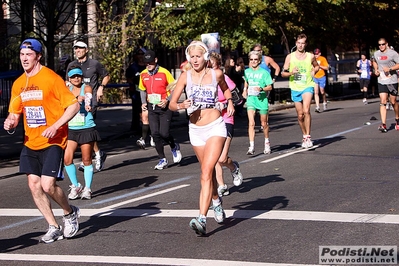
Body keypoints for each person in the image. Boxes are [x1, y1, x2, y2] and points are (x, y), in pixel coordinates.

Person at [3, 39, 80, 243]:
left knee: (47, 185)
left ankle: (69, 212)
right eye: (21, 54)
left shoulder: (51, 78)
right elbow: (15, 113)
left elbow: (73, 106)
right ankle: (53, 226)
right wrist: (10, 122)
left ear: (38, 56)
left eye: (28, 54)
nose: (24, 58)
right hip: (31, 142)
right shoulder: (19, 84)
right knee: (33, 184)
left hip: (53, 140)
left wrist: (56, 126)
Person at [169, 41, 235, 236]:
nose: (195, 59)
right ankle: (216, 200)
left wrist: (229, 102)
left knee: (206, 171)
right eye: (192, 56)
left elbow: (226, 89)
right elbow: (172, 103)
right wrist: (181, 106)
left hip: (215, 126)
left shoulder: (216, 74)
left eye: (199, 56)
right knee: (207, 174)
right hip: (195, 130)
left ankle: (201, 219)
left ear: (205, 57)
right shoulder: (185, 77)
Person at [67, 40, 109, 172]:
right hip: (74, 102)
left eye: (80, 48)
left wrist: (101, 87)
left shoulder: (94, 64)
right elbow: (66, 82)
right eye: (76, 48)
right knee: (82, 130)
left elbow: (106, 75)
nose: (77, 50)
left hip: (90, 102)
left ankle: (90, 157)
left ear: (87, 50)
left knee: (87, 129)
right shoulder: (72, 65)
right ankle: (97, 154)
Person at [138, 50, 182, 169]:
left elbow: (175, 88)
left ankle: (174, 146)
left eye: (150, 62)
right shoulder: (143, 74)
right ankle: (162, 159)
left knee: (164, 133)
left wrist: (167, 100)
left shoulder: (164, 72)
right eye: (146, 63)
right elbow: (142, 89)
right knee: (155, 134)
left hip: (165, 107)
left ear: (156, 60)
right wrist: (143, 103)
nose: (148, 65)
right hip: (152, 107)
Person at [208, 52, 243, 197]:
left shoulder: (224, 78)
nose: (210, 68)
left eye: (213, 65)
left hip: (226, 119)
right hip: (210, 121)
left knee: (222, 158)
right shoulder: (203, 81)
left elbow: (238, 99)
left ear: (218, 65)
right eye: (208, 65)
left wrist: (226, 104)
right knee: (214, 157)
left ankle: (234, 168)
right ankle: (222, 185)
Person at [64, 66, 101, 200]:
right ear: (69, 78)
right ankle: (76, 185)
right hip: (71, 128)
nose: (76, 78)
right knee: (67, 159)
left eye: (78, 76)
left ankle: (88, 188)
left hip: (86, 127)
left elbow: (88, 95)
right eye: (73, 76)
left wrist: (86, 102)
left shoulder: (86, 87)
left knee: (86, 159)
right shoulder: (66, 89)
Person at [281, 33, 319, 148]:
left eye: (303, 43)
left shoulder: (310, 56)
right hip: (295, 87)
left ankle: (308, 136)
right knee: (300, 115)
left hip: (307, 85)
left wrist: (314, 71)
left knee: (306, 110)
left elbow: (316, 66)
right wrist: (292, 72)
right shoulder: (290, 57)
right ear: (296, 43)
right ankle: (304, 135)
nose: (300, 45)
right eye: (299, 43)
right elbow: (283, 73)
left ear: (306, 44)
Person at [243, 50, 273, 155]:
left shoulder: (264, 73)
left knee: (264, 123)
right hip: (251, 99)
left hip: (262, 99)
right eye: (251, 60)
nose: (253, 61)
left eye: (255, 59)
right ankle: (251, 147)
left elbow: (270, 86)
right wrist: (244, 90)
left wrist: (261, 88)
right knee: (251, 123)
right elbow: (246, 81)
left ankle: (267, 142)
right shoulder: (247, 71)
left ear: (259, 60)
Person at [126, 48, 154, 149]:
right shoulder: (133, 67)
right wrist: (132, 85)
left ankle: (151, 134)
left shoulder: (149, 67)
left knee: (147, 114)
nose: (141, 56)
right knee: (140, 114)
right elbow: (129, 77)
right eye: (139, 54)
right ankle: (139, 131)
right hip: (137, 93)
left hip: (150, 94)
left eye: (143, 54)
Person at [372, 38, 399, 132]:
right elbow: (374, 61)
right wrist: (376, 69)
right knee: (383, 101)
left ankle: (397, 119)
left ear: (386, 44)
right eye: (379, 45)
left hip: (392, 80)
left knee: (393, 102)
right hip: (382, 80)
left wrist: (390, 68)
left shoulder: (393, 53)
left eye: (383, 44)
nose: (381, 46)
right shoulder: (376, 53)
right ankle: (383, 124)